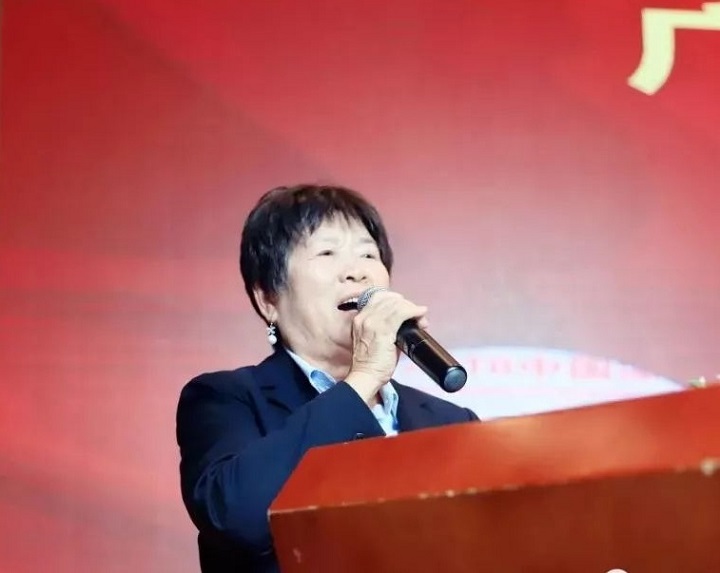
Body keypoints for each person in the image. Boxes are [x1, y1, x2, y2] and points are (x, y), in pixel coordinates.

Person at [176, 184, 479, 573]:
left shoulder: (451, 422)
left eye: (368, 254)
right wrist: (363, 379)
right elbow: (237, 519)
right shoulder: (226, 399)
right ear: (268, 299)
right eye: (327, 253)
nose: (357, 270)